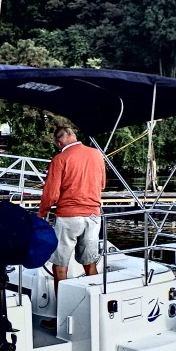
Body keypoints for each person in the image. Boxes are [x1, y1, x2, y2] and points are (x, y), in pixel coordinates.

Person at [37, 126, 106, 329]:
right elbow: (101, 184)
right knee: (90, 264)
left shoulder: (60, 159)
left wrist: (41, 214)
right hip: (93, 216)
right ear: (74, 136)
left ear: (59, 143)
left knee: (60, 266)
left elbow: (51, 193)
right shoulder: (96, 154)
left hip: (69, 217)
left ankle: (62, 317)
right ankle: (97, 310)